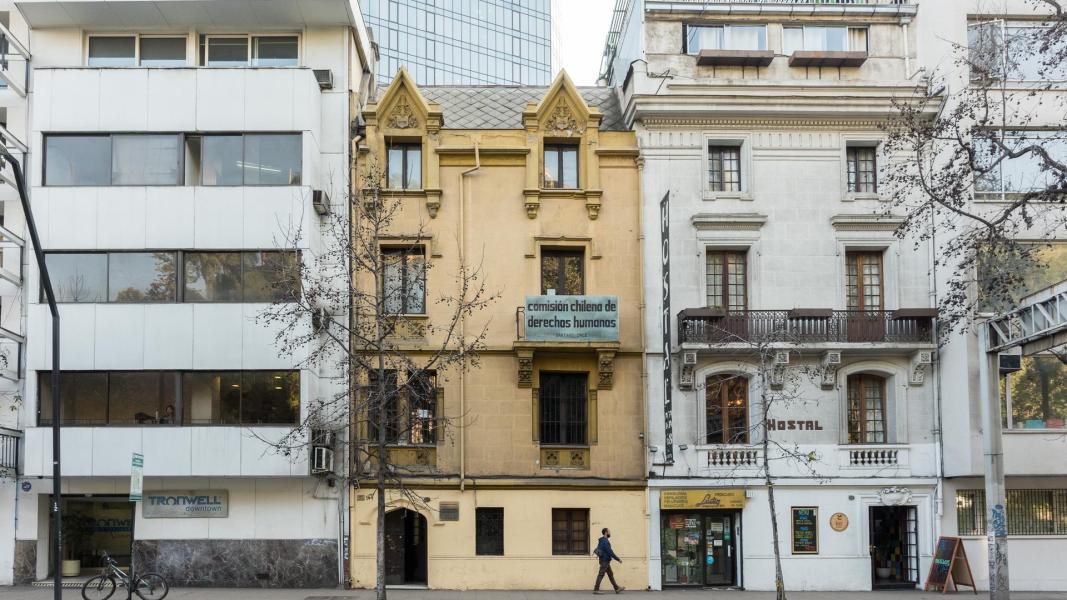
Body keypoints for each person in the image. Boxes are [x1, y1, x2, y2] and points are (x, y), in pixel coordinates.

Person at [593, 527, 624, 594]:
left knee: (610, 574)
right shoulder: (605, 541)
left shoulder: (601, 540)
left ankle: (617, 588)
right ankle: (596, 589)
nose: (610, 533)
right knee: (601, 574)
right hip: (605, 561)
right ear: (606, 533)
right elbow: (610, 552)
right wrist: (618, 559)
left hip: (604, 560)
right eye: (609, 531)